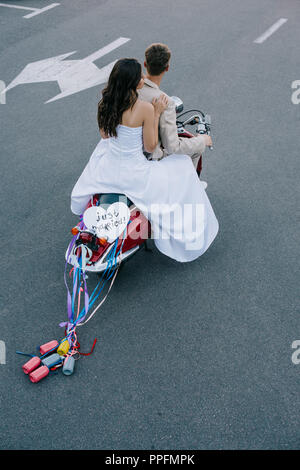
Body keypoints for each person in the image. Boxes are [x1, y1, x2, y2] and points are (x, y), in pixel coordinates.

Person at [70, 58, 218, 262]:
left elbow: (105, 136)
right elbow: (150, 146)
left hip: (107, 168)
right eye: (140, 76)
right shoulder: (144, 108)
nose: (143, 79)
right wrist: (156, 113)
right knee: (182, 165)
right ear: (133, 82)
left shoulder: (104, 103)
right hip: (134, 171)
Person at [138, 43, 211, 171]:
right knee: (197, 149)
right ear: (167, 68)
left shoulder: (132, 89)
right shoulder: (166, 101)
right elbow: (172, 147)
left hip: (128, 150)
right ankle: (187, 188)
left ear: (145, 64)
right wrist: (202, 140)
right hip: (151, 156)